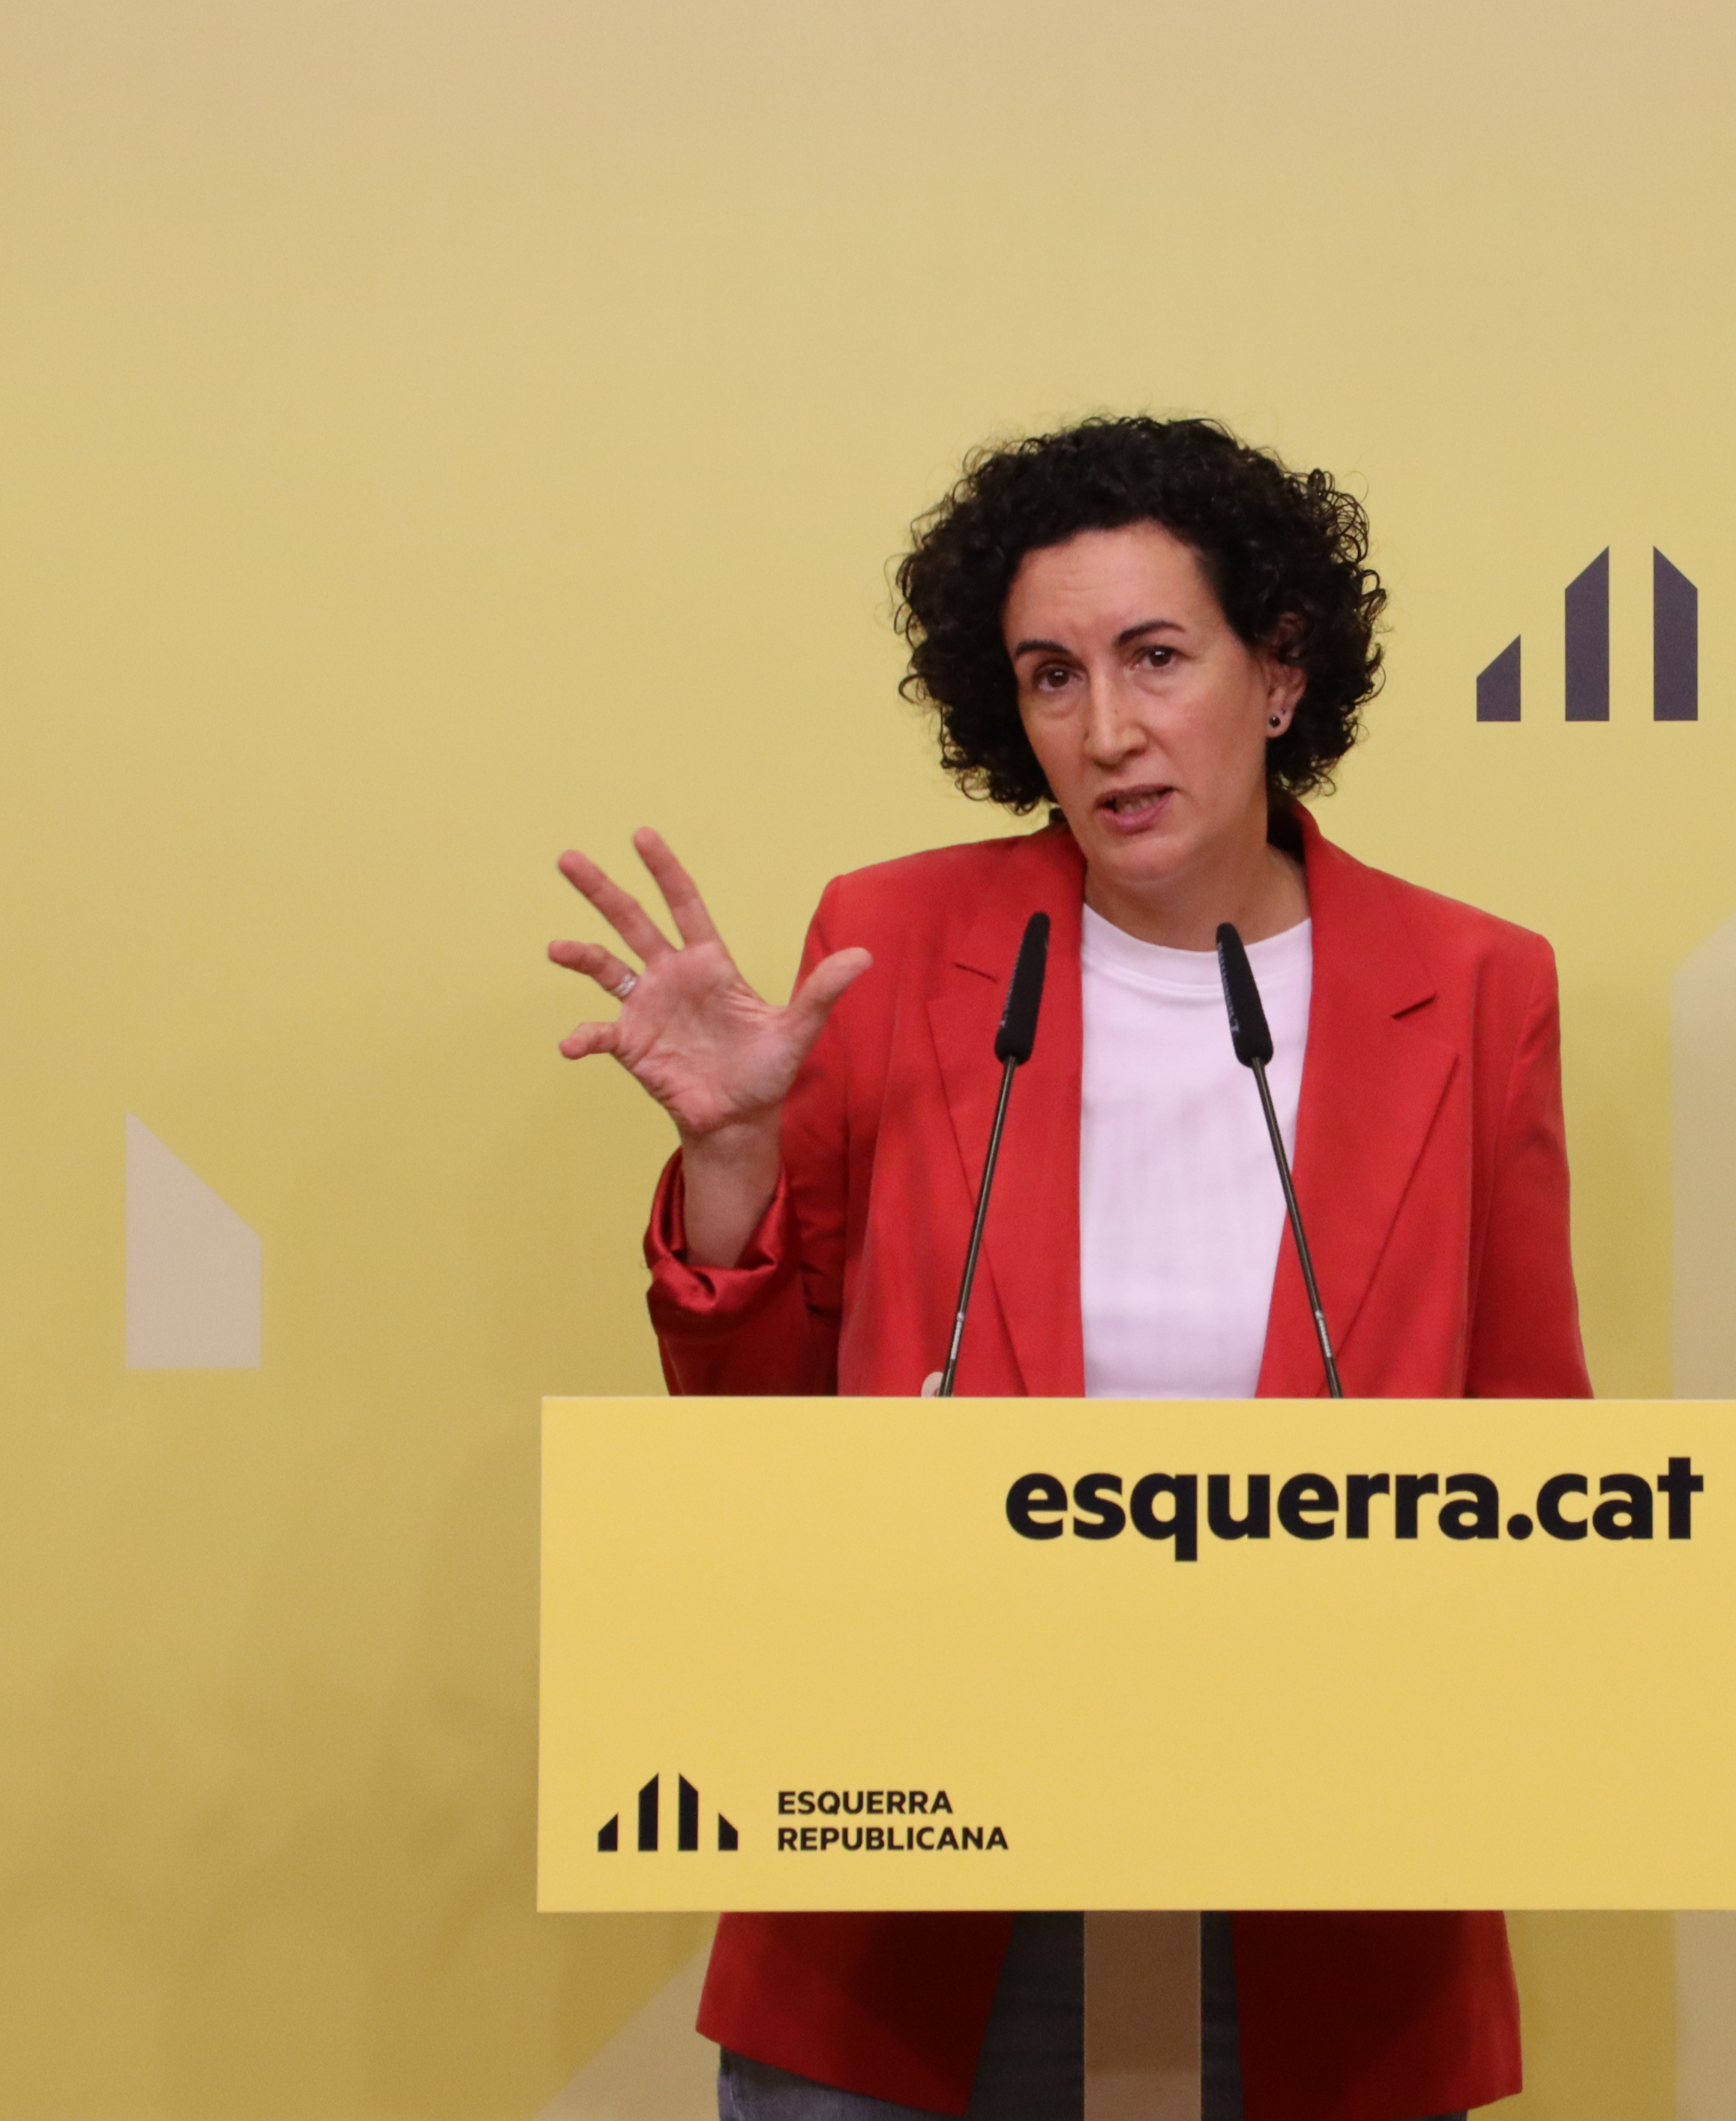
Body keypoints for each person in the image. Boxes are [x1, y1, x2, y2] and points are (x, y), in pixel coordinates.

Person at [548, 417, 1589, 2121]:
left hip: (1326, 1877)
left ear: (1279, 671)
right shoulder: (894, 947)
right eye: (1050, 675)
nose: (1106, 731)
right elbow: (762, 1420)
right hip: (915, 1868)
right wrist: (731, 1159)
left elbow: (1532, 1433)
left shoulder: (1474, 984)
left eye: (1157, 657)